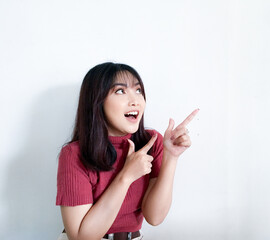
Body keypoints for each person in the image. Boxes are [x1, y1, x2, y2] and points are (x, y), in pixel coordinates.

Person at [56, 62, 199, 240]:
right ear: (97, 101)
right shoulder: (74, 154)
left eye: (138, 90)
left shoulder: (151, 142)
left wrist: (171, 157)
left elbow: (154, 217)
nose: (135, 100)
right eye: (120, 91)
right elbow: (80, 237)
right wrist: (126, 176)